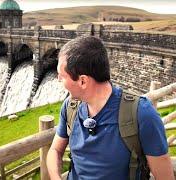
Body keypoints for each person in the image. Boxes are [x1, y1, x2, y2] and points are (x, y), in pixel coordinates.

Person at [46, 36, 174, 180]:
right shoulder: (70, 107)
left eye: (62, 76)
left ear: (83, 81)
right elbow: (55, 150)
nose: (58, 79)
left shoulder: (142, 114)